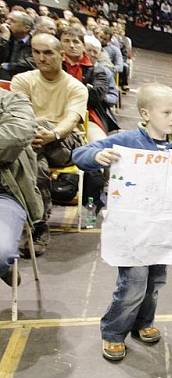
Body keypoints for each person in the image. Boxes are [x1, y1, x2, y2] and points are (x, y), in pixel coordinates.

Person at [71, 83, 172, 361]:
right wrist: (96, 156)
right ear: (145, 113)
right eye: (167, 112)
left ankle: (142, 323)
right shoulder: (125, 141)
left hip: (161, 232)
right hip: (131, 232)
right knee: (133, 282)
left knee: (155, 281)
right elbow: (79, 155)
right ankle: (113, 332)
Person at [12, 33, 88, 257]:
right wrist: (38, 133)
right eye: (36, 52)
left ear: (61, 55)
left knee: (29, 150)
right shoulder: (22, 80)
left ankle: (34, 224)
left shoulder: (76, 87)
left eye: (48, 53)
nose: (41, 58)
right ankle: (39, 225)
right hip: (32, 141)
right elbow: (20, 114)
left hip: (64, 142)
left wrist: (52, 133)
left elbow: (71, 119)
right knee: (36, 164)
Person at [0, 88, 43, 287]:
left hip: (4, 195)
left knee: (1, 252)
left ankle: (2, 265)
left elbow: (16, 135)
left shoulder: (11, 100)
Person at [0, 10, 34, 80]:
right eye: (7, 19)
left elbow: (30, 64)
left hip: (23, 80)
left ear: (26, 28)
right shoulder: (3, 36)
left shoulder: (35, 42)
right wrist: (4, 39)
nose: (7, 22)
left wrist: (9, 66)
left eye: (12, 21)